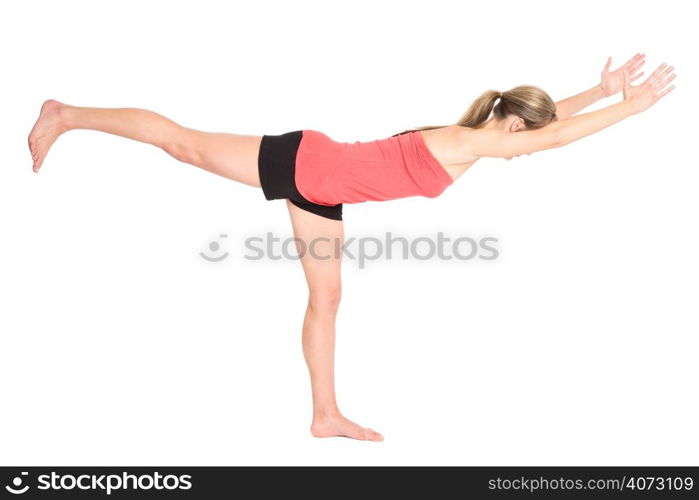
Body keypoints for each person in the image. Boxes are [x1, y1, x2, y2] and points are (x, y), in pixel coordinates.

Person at [27, 53, 675, 442]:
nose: (522, 149)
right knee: (182, 143)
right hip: (304, 159)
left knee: (327, 300)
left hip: (322, 187)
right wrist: (632, 107)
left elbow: (542, 122)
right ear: (509, 128)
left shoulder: (474, 133)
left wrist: (600, 91)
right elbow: (549, 139)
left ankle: (325, 415)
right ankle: (65, 114)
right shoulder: (473, 141)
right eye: (521, 139)